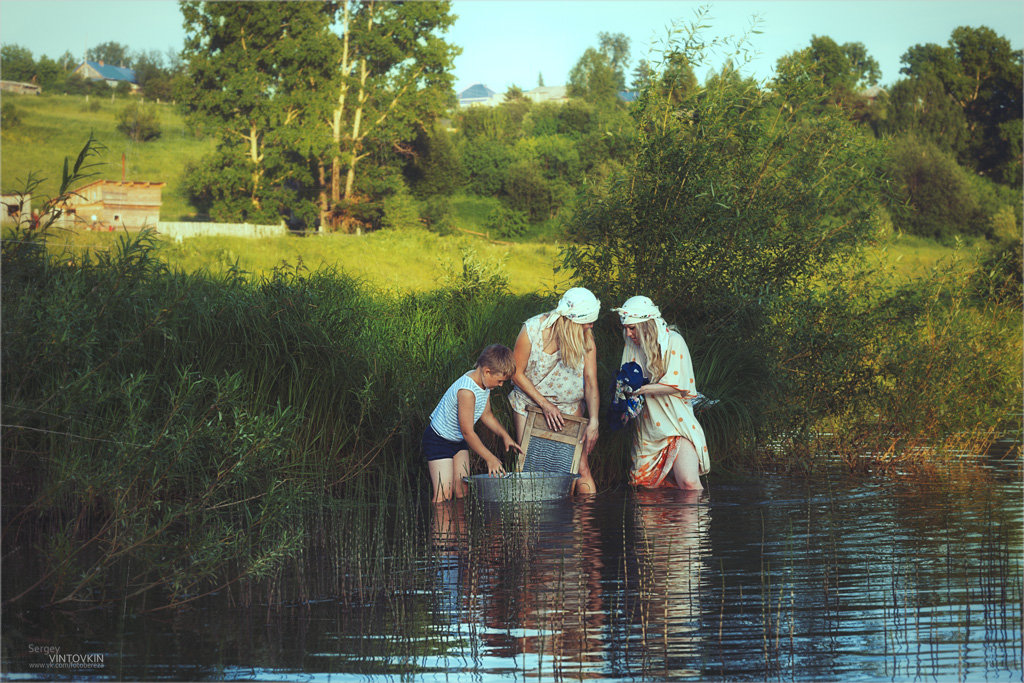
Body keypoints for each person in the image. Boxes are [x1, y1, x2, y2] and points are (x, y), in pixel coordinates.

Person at [509, 287, 600, 494]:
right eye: (587, 321)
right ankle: (532, 521)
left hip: (569, 406)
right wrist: (545, 405)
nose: (591, 325)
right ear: (571, 321)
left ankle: (585, 522)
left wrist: (594, 420)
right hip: (530, 405)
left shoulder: (586, 335)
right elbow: (516, 373)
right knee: (530, 469)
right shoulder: (532, 330)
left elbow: (591, 381)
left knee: (581, 468)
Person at [612, 296, 709, 490]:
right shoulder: (631, 346)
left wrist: (642, 389)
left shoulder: (673, 341)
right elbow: (627, 381)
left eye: (633, 328)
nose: (628, 333)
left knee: (689, 484)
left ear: (646, 325)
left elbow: (677, 384)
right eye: (626, 328)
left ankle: (700, 520)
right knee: (647, 492)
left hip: (676, 424)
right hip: (648, 430)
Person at [423, 344, 523, 503]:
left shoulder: (484, 384)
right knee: (444, 494)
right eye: (499, 381)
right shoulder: (467, 392)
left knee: (462, 491)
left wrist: (505, 436)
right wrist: (490, 458)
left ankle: (460, 527)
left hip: (457, 440)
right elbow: (468, 432)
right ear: (487, 371)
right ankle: (439, 527)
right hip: (439, 439)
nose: (500, 385)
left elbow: (487, 415)